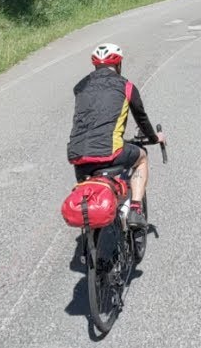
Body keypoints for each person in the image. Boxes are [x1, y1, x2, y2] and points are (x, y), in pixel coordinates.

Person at [67, 43, 164, 228]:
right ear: (118, 65)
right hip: (109, 151)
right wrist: (154, 138)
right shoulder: (126, 86)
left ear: (95, 66)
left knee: (89, 195)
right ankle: (135, 209)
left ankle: (91, 241)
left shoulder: (80, 87)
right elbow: (141, 119)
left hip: (77, 155)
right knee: (141, 158)